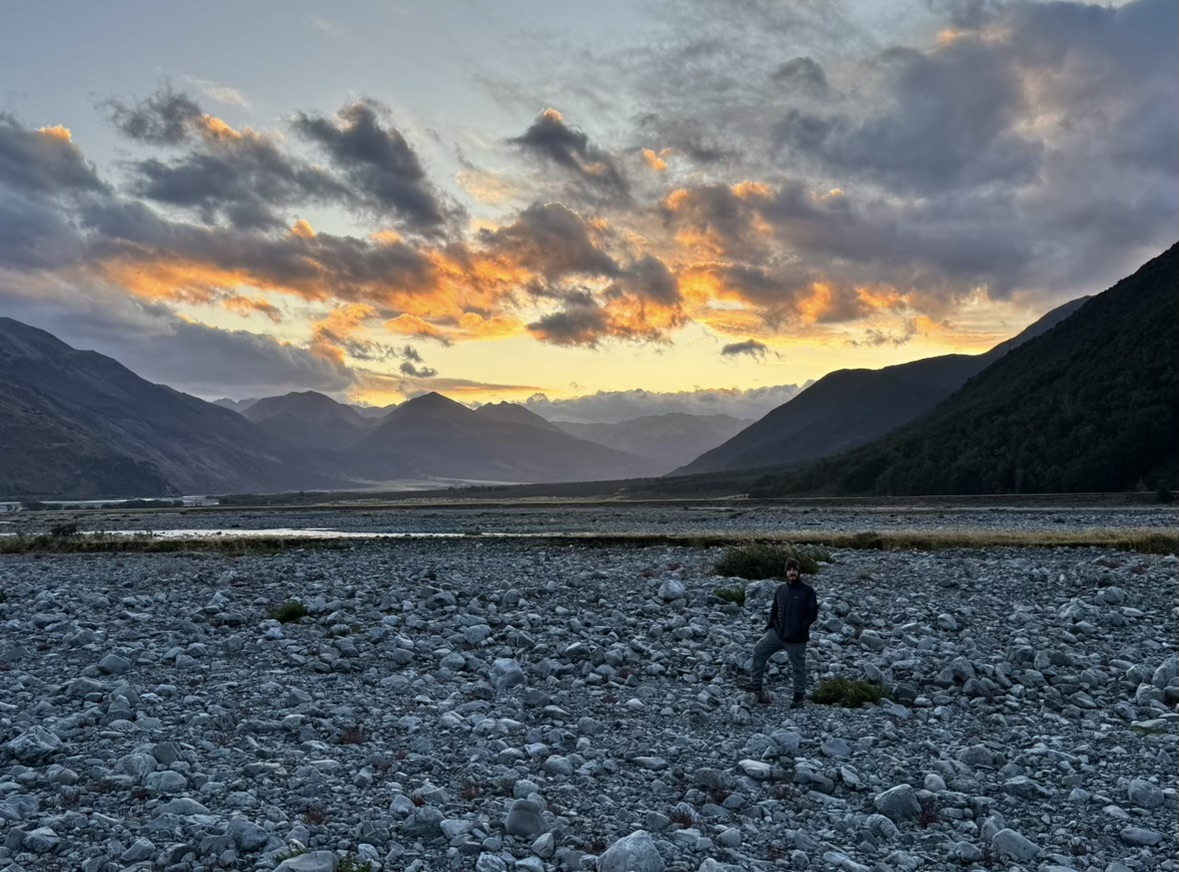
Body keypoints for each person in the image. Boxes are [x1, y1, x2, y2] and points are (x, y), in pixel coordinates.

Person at [740, 557, 819, 707]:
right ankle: (755, 685)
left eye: (795, 569)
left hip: (797, 638)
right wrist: (769, 626)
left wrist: (801, 630)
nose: (792, 572)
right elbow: (774, 609)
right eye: (789, 569)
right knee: (759, 650)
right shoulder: (780, 589)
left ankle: (798, 698)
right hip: (777, 633)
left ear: (799, 572)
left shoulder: (807, 591)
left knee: (798, 667)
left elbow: (812, 614)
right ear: (786, 572)